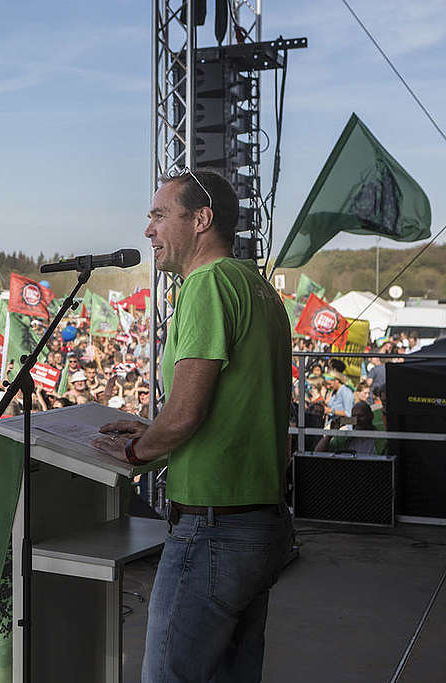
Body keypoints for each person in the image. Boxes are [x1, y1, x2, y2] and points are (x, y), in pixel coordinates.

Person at [94, 169, 293, 682]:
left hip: (214, 529)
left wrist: (137, 453)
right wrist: (148, 428)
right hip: (261, 521)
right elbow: (228, 409)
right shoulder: (257, 288)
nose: (148, 231)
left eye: (160, 215)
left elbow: (185, 416)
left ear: (201, 219)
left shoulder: (204, 286)